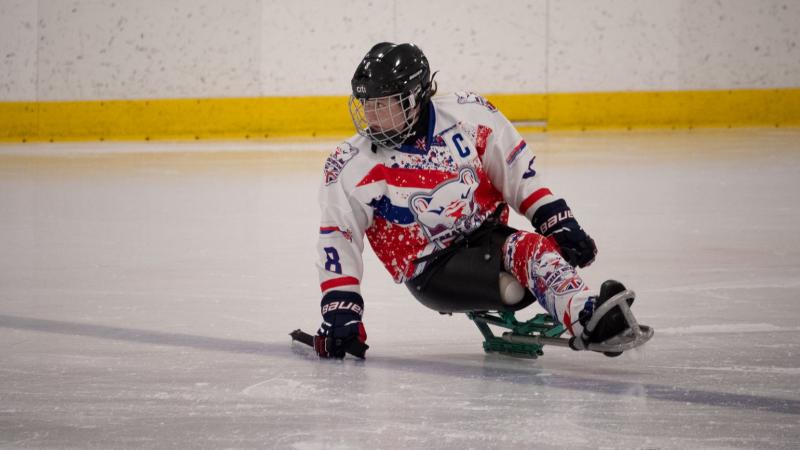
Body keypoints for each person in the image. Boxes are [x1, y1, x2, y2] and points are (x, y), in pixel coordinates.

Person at [313, 42, 635, 358]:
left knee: (536, 250)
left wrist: (558, 221)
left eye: (384, 104)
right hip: (432, 269)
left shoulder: (470, 115)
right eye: (367, 104)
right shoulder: (351, 164)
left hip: (488, 238)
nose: (371, 115)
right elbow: (339, 239)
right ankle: (586, 316)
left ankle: (587, 312)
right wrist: (342, 311)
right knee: (529, 254)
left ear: (414, 99)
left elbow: (516, 171)